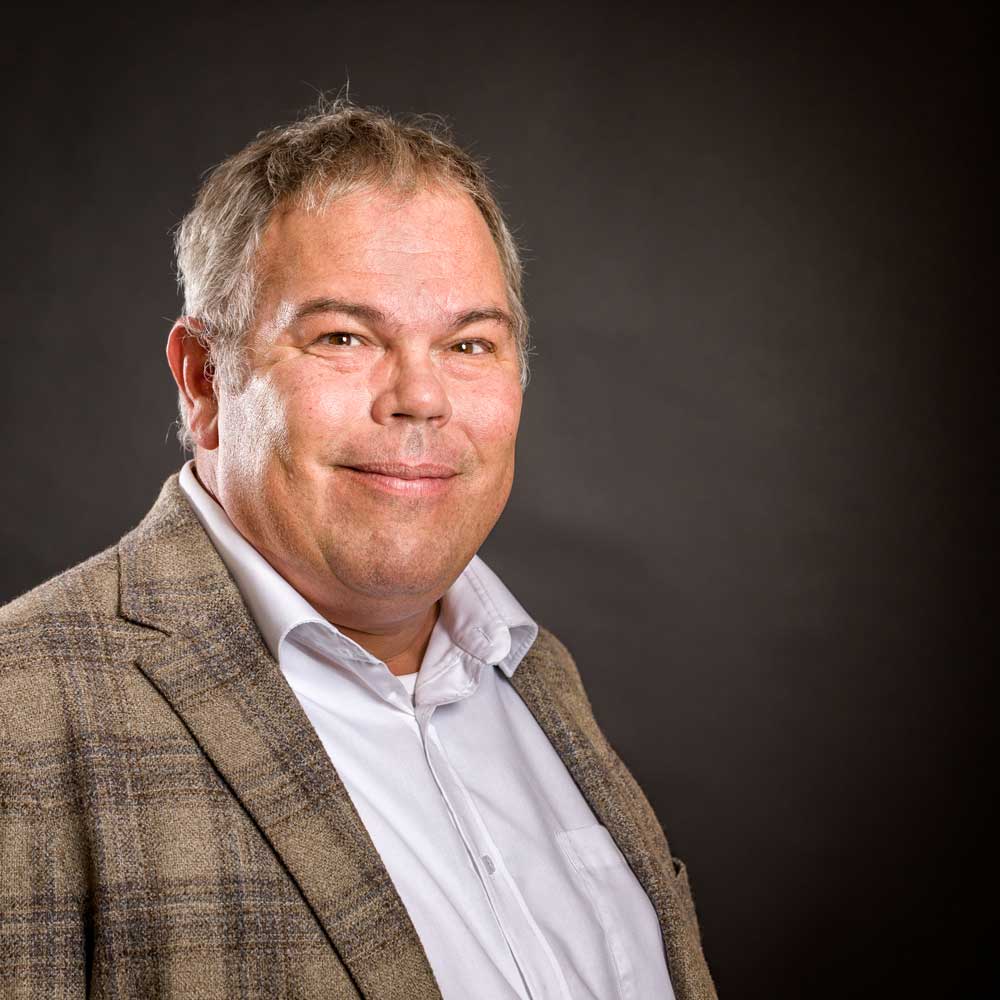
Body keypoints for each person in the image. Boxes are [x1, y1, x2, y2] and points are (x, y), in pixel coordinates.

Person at [0, 101, 716, 999]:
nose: (421, 397)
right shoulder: (21, 720)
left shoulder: (535, 676)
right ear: (204, 381)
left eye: (469, 343)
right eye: (344, 337)